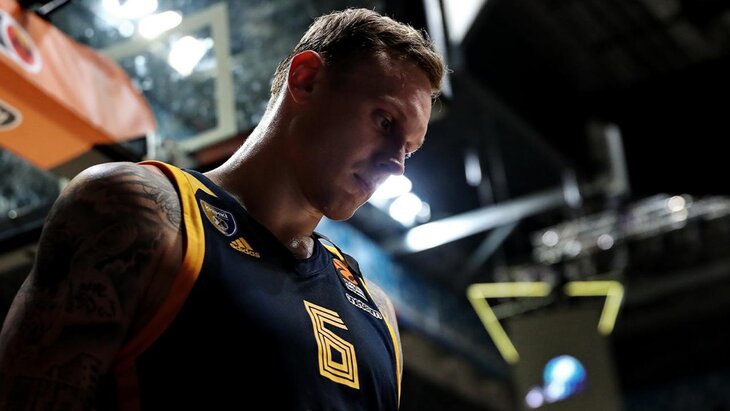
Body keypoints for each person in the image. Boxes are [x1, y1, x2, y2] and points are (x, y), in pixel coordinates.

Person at [0, 7, 445, 410]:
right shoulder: (140, 210)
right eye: (385, 121)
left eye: (409, 148)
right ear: (306, 79)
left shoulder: (377, 310)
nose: (396, 164)